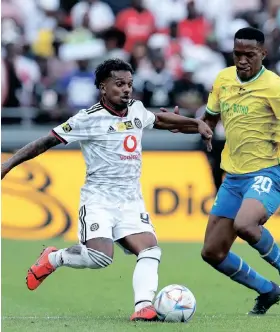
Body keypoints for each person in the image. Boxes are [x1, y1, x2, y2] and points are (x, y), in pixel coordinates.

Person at [1, 59, 213, 321]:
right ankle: (54, 258)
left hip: (130, 201)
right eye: (119, 84)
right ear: (103, 88)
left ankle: (143, 307)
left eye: (130, 84)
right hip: (98, 200)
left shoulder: (136, 110)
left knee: (150, 250)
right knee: (100, 258)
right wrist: (7, 165)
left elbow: (159, 119)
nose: (127, 90)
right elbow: (44, 142)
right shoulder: (87, 119)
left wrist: (195, 124)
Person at [169, 27, 280, 315]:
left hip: (267, 173)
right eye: (237, 54)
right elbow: (207, 119)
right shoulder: (222, 79)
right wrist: (182, 123)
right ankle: (267, 290)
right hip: (233, 178)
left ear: (263, 54)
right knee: (212, 252)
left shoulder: (274, 85)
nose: (242, 60)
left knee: (246, 225)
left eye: (249, 55)